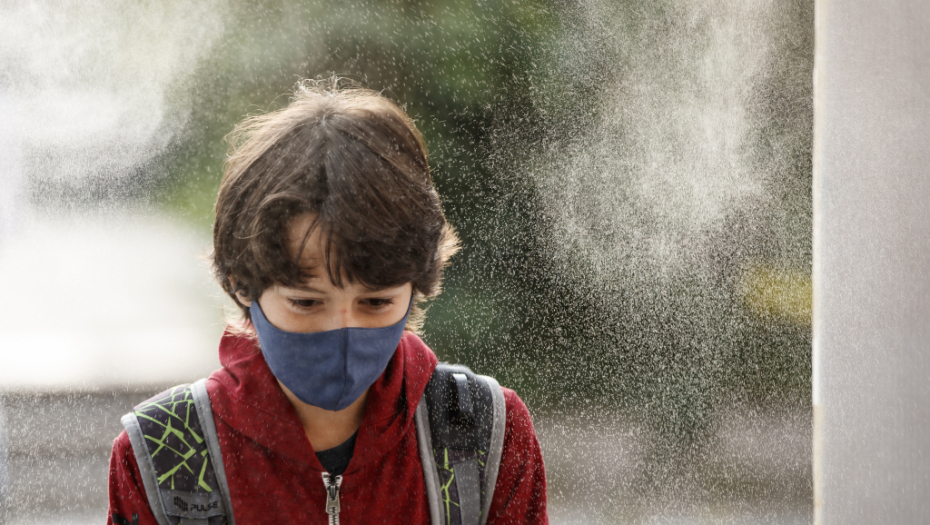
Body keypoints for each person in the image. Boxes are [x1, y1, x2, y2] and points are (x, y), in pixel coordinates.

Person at [106, 79, 548, 524]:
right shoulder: (162, 455)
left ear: (418, 285)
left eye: (375, 302)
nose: (342, 329)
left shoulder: (483, 434)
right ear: (242, 284)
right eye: (306, 302)